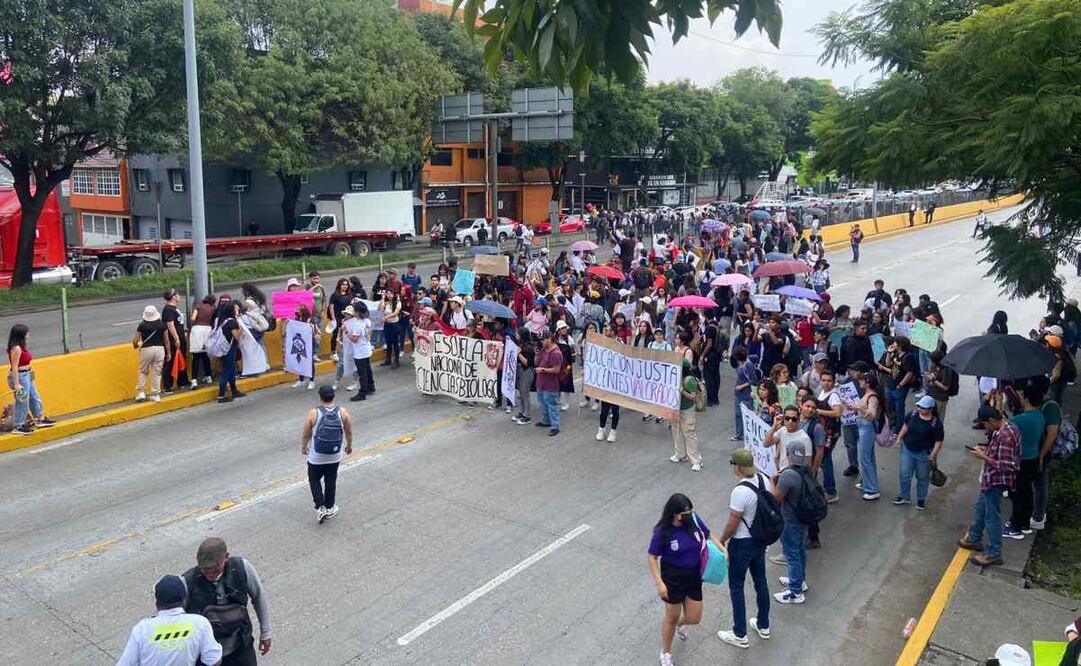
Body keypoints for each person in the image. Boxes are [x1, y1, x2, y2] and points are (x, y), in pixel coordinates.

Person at [648, 493, 726, 666]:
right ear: (674, 514)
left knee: (694, 617)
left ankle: (679, 625)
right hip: (672, 580)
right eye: (685, 513)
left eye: (690, 511)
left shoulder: (693, 520)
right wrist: (659, 583)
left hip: (693, 577)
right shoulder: (662, 531)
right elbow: (652, 557)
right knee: (671, 616)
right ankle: (666, 653)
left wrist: (722, 549)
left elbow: (708, 534)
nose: (689, 515)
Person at [181, 538, 272, 664]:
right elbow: (178, 619)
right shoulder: (187, 581)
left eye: (215, 568)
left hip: (241, 648)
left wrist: (266, 633)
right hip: (207, 657)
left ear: (226, 557)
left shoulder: (242, 568)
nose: (209, 573)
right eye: (204, 569)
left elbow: (259, 597)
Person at [716, 449, 772, 650]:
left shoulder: (740, 491)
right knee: (761, 582)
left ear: (737, 467)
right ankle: (763, 624)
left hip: (742, 543)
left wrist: (721, 540)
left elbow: (733, 523)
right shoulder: (764, 479)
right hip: (759, 541)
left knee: (737, 587)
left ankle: (740, 633)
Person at [959, 405, 1022, 566]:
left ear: (993, 420)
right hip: (990, 479)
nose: (986, 428)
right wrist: (986, 449)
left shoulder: (1006, 436)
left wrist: (983, 456)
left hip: (996, 479)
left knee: (992, 516)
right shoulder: (1004, 429)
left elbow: (1006, 465)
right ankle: (974, 538)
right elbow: (999, 451)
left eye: (986, 425)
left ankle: (994, 553)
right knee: (980, 507)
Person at [117, 575, 222, 666]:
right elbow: (213, 661)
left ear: (157, 603)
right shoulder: (200, 623)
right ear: (184, 600)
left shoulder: (142, 629)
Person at [300, 385, 354, 523]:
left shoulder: (314, 413)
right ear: (333, 396)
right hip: (334, 455)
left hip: (316, 456)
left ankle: (320, 507)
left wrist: (304, 447)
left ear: (320, 397)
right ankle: (330, 507)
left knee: (314, 479)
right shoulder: (343, 412)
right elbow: (348, 431)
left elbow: (306, 433)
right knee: (331, 480)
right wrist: (349, 446)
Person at [773, 439, 814, 604]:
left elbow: (776, 498)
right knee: (799, 551)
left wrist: (772, 481)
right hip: (803, 518)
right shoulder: (806, 470)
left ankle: (795, 592)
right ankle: (799, 580)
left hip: (790, 520)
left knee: (792, 554)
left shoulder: (788, 475)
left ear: (788, 453)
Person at [1004, 384, 1046, 538]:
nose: (1020, 398)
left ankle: (1015, 526)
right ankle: (1024, 524)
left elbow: (1003, 431)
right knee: (1027, 491)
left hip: (1020, 460)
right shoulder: (1040, 416)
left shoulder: (1019, 420)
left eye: (1022, 396)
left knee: (1017, 494)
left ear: (1027, 398)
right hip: (1033, 458)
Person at [892, 395, 945, 509]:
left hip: (923, 454)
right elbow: (905, 426)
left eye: (923, 407)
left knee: (922, 477)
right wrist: (899, 438)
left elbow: (938, 441)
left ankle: (921, 499)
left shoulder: (935, 424)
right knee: (904, 475)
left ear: (930, 409)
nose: (920, 408)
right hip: (907, 449)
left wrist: (933, 454)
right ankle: (904, 496)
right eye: (919, 406)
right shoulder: (912, 415)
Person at [5, 324, 54, 436]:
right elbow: (14, 367)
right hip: (21, 377)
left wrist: (31, 378)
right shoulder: (16, 348)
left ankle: (40, 418)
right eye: (27, 333)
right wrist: (17, 384)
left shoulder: (21, 347)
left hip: (27, 374)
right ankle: (19, 425)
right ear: (21, 335)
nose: (28, 334)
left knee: (34, 396)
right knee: (22, 401)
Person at [855, 372, 884, 500]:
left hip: (866, 428)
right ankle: (867, 483)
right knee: (868, 457)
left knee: (865, 458)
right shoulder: (868, 395)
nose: (859, 382)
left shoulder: (872, 397)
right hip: (863, 427)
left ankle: (872, 489)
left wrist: (859, 408)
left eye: (862, 380)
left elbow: (871, 414)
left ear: (867, 382)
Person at [133, 305, 171, 403]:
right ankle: (155, 395)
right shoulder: (162, 325)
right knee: (157, 373)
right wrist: (169, 353)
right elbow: (166, 340)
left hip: (146, 349)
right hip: (160, 349)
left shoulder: (142, 325)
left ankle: (141, 392)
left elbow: (135, 340)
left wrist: (136, 345)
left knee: (143, 371)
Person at [670, 359, 703, 471]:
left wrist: (682, 392)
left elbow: (693, 397)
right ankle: (680, 454)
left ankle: (696, 460)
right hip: (676, 408)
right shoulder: (675, 378)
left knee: (689, 432)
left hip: (687, 409)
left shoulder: (689, 380)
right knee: (676, 430)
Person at [213, 301, 246, 403]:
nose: (238, 310)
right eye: (236, 309)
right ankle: (221, 395)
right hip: (229, 350)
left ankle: (234, 390)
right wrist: (242, 328)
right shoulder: (232, 322)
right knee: (226, 372)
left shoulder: (223, 321)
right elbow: (236, 336)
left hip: (224, 349)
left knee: (231, 370)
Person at [161, 289, 193, 392]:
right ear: (173, 297)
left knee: (181, 360)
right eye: (177, 295)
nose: (179, 296)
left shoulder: (174, 309)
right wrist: (176, 338)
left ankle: (182, 381)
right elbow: (170, 325)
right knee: (170, 361)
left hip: (180, 338)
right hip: (173, 340)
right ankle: (168, 385)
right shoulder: (168, 309)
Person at [534, 331, 563, 436]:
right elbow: (536, 363)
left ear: (549, 339)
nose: (542, 342)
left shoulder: (556, 353)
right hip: (541, 382)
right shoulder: (543, 350)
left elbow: (556, 370)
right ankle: (545, 420)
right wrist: (537, 355)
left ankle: (555, 426)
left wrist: (543, 370)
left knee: (552, 404)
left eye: (543, 340)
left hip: (550, 384)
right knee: (542, 403)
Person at [343, 304, 375, 401]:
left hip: (360, 351)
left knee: (362, 373)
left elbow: (354, 339)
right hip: (366, 347)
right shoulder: (366, 321)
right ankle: (371, 387)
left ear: (357, 313)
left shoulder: (357, 325)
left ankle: (362, 393)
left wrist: (346, 332)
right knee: (368, 369)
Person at [189, 295, 216, 385]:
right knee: (206, 356)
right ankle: (208, 377)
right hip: (208, 330)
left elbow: (193, 318)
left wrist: (193, 324)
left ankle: (194, 381)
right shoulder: (213, 308)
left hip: (197, 330)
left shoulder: (198, 306)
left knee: (196, 357)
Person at [512, 328, 535, 425]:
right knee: (520, 394)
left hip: (527, 371)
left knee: (525, 394)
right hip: (520, 371)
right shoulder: (521, 345)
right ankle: (522, 412)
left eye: (517, 333)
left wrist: (519, 354)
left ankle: (527, 415)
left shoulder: (529, 347)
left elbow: (527, 363)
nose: (516, 335)